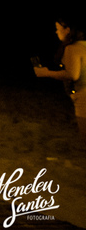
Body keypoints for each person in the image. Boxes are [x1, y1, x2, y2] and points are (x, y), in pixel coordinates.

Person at [33, 13, 86, 142]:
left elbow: (72, 75)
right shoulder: (83, 45)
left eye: (58, 28)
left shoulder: (72, 48)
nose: (56, 32)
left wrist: (46, 73)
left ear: (67, 30)